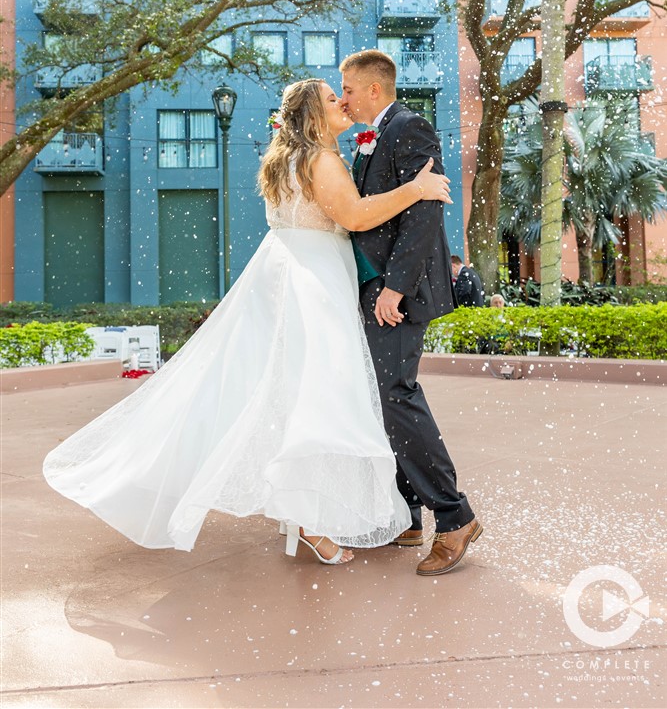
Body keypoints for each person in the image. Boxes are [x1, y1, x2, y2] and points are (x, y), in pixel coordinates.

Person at [43, 79, 451, 568]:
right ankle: (309, 521)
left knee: (290, 393)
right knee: (321, 398)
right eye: (331, 97)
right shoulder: (321, 160)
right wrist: (417, 188)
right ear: (314, 116)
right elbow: (357, 216)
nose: (342, 102)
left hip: (287, 271)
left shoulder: (287, 158)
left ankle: (307, 515)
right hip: (313, 283)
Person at [340, 51, 482, 577]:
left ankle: (454, 517)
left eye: (348, 88)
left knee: (395, 395)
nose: (344, 97)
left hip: (399, 294)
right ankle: (408, 516)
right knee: (382, 399)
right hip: (376, 289)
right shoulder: (374, 137)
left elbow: (424, 214)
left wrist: (395, 289)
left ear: (374, 90)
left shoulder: (408, 127)